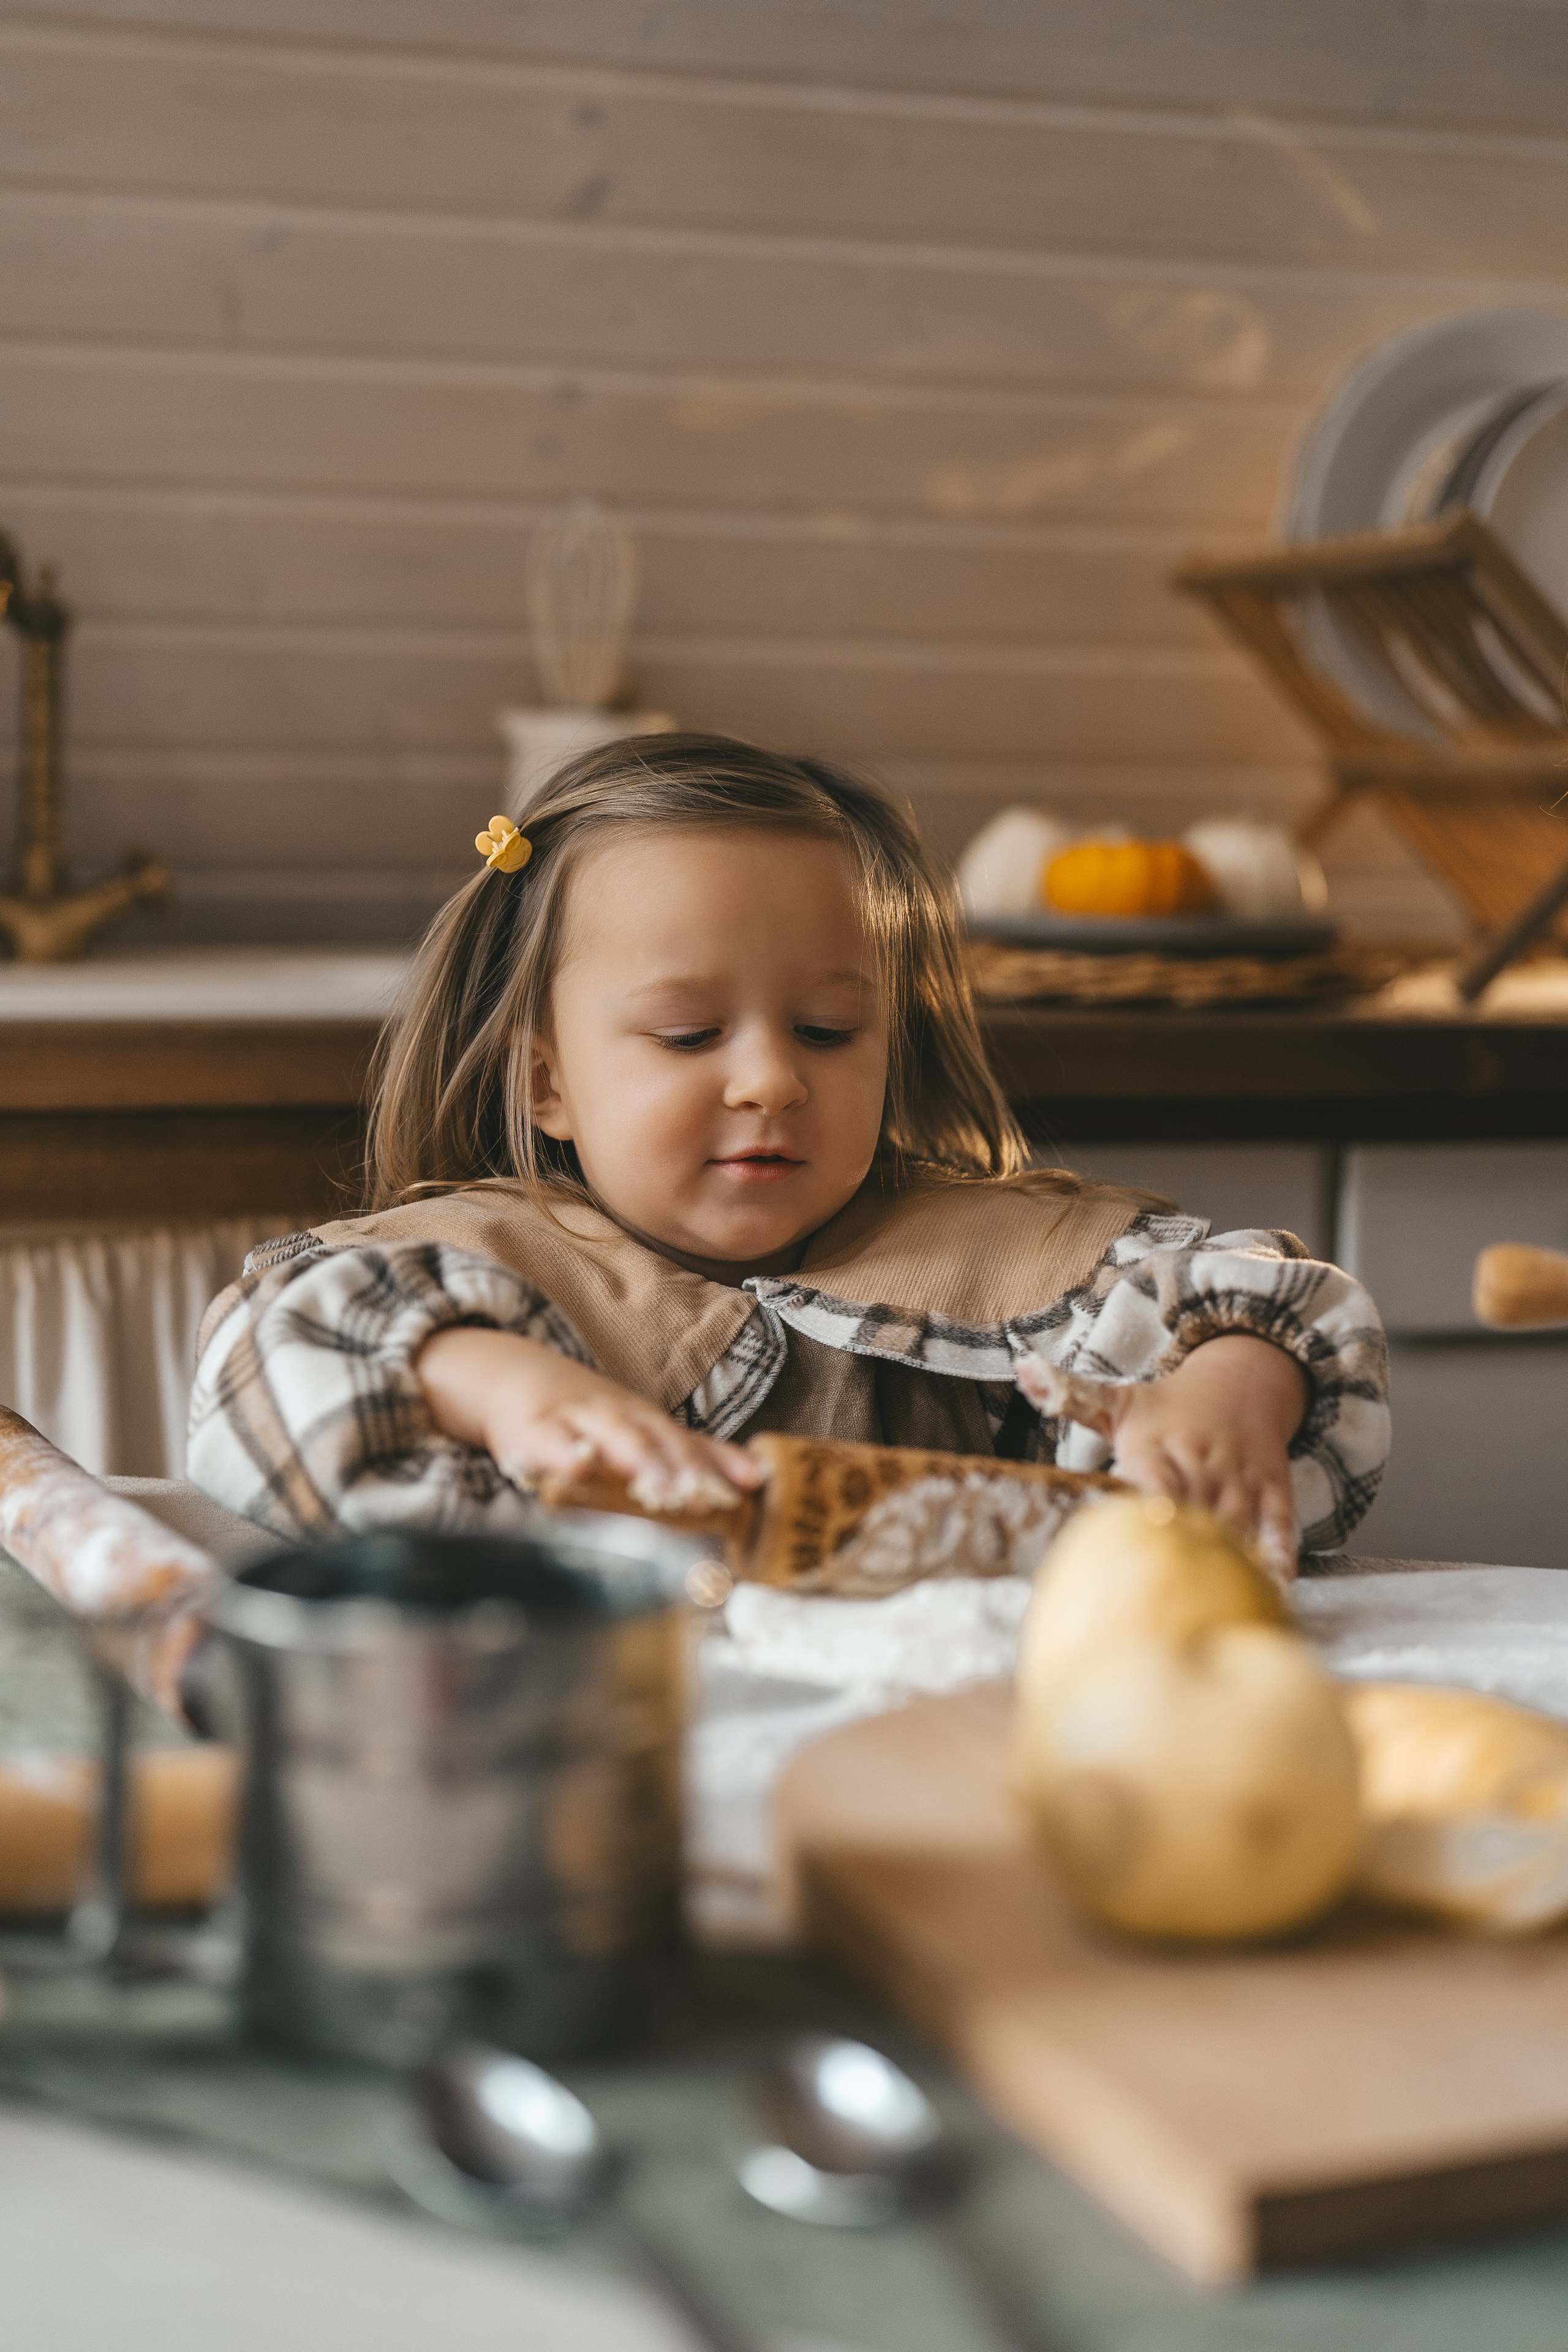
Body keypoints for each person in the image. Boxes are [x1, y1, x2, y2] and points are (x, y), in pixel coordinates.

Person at [187, 734, 1389, 1575]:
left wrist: (1223, 1395)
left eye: (826, 1031)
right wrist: (502, 1391)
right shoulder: (479, 1272)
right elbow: (266, 1365)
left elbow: (1265, 1303)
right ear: (545, 1076)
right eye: (687, 1034)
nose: (770, 1078)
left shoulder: (988, 1261)